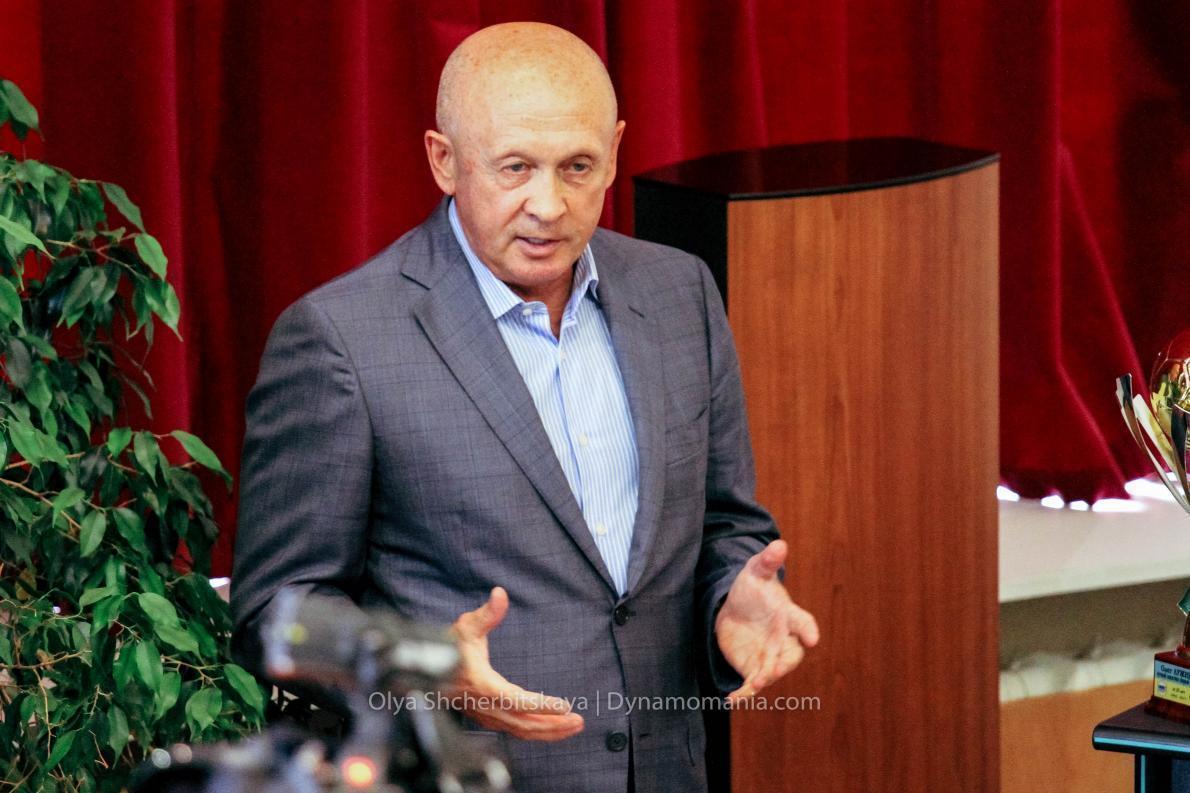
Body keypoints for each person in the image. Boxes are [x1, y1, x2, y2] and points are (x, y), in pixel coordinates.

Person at [230, 21, 819, 793]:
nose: (549, 205)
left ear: (615, 150)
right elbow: (276, 614)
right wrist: (429, 671)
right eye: (515, 168)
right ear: (444, 160)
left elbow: (724, 523)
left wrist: (731, 597)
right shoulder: (341, 337)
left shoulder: (681, 293)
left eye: (577, 166)